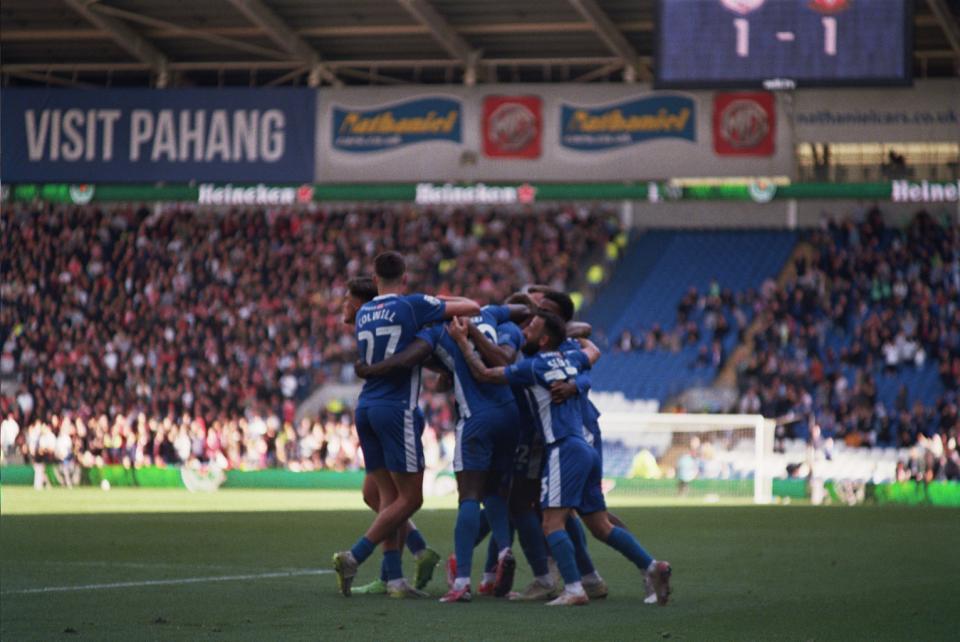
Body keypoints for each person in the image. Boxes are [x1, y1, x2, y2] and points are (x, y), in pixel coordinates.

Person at [449, 311, 672, 606]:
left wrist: (463, 341)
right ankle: (652, 566)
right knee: (601, 526)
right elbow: (593, 351)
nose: (525, 330)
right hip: (586, 447)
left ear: (543, 340)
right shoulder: (571, 358)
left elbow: (484, 374)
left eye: (532, 327)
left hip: (562, 448)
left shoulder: (532, 366)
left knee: (552, 524)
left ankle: (574, 589)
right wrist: (577, 369)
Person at [357, 300, 532, 602]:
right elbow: (521, 310)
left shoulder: (437, 331)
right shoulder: (490, 314)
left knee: (469, 496)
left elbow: (409, 360)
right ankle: (504, 550)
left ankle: (461, 581)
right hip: (509, 414)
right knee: (494, 492)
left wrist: (370, 369)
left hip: (476, 417)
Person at [332, 252, 480, 598]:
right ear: (405, 277)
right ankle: (355, 556)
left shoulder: (364, 313)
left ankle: (396, 578)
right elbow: (471, 307)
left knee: (388, 497)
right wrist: (436, 303)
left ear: (374, 278)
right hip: (397, 408)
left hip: (366, 406)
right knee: (411, 498)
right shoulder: (413, 305)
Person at [339, 275, 440, 595]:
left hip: (390, 410)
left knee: (391, 497)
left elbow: (420, 353)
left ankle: (383, 570)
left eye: (347, 300)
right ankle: (411, 557)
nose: (343, 305)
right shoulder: (377, 323)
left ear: (362, 304)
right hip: (384, 409)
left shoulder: (387, 319)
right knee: (381, 496)